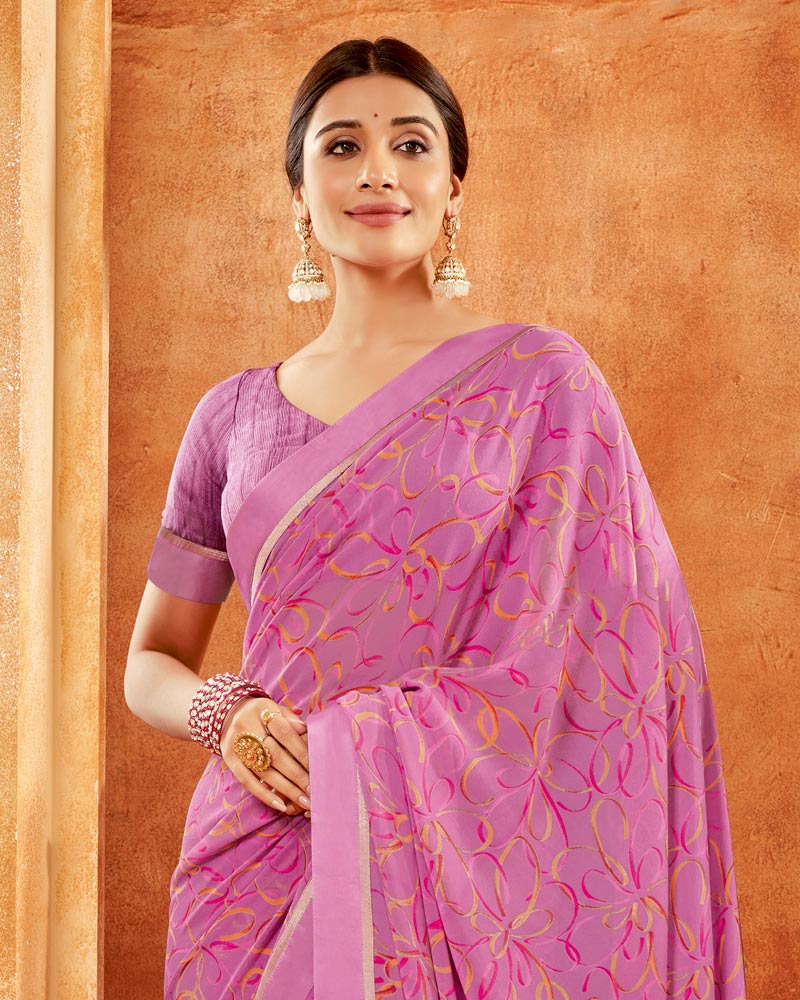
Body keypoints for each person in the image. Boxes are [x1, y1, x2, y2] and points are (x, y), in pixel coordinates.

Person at [125, 35, 748, 1000]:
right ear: (298, 192)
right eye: (341, 146)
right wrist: (226, 713)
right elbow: (152, 661)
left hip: (473, 872)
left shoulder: (543, 383)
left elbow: (620, 662)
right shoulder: (231, 418)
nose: (378, 170)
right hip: (257, 857)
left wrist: (374, 751)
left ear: (454, 186)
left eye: (411, 144)